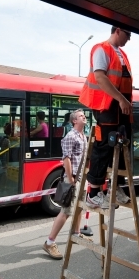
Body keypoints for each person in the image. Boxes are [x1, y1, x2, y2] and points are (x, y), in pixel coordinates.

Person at [79, 26, 133, 208]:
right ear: (118, 30)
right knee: (104, 147)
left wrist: (124, 102)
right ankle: (93, 193)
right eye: (128, 34)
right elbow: (100, 78)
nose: (129, 38)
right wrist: (121, 99)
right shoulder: (101, 48)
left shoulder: (122, 54)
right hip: (107, 106)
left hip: (121, 108)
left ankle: (116, 187)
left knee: (123, 145)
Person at [42, 109, 89, 260]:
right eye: (82, 116)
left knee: (79, 206)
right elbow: (66, 159)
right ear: (75, 121)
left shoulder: (83, 136)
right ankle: (49, 242)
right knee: (66, 211)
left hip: (81, 177)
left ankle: (76, 233)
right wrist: (71, 178)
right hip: (73, 178)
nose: (85, 117)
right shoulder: (70, 136)